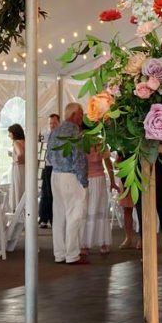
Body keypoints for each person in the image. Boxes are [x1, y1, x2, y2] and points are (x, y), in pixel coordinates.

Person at [47, 104, 87, 264]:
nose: (82, 118)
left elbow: (49, 156)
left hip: (55, 175)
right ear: (74, 114)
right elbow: (78, 158)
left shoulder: (55, 131)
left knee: (58, 216)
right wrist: (83, 180)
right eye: (81, 114)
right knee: (74, 215)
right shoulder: (74, 132)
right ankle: (72, 254)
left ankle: (59, 253)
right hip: (70, 176)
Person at [84, 140, 114, 254]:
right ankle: (86, 243)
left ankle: (102, 241)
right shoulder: (81, 140)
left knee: (98, 209)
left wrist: (112, 181)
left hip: (97, 179)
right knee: (87, 210)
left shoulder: (100, 142)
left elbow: (108, 163)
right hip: (85, 178)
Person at [37, 113, 58, 228]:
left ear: (59, 123)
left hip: (56, 167)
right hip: (46, 165)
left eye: (54, 123)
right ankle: (43, 218)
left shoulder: (61, 136)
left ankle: (53, 218)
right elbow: (40, 148)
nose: (52, 125)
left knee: (53, 193)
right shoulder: (45, 134)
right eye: (50, 123)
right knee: (45, 192)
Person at [6, 123, 27, 204]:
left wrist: (15, 159)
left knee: (18, 187)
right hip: (25, 167)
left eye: (9, 133)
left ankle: (18, 208)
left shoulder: (16, 142)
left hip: (18, 167)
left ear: (14, 133)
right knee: (24, 187)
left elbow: (20, 154)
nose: (8, 135)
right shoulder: (25, 141)